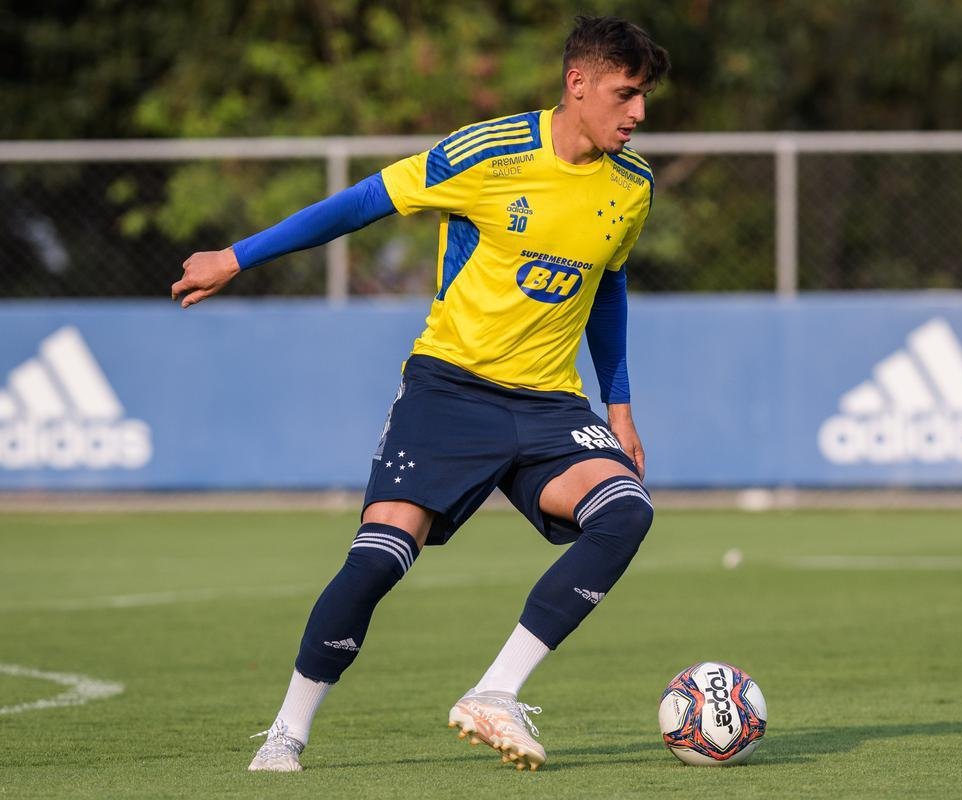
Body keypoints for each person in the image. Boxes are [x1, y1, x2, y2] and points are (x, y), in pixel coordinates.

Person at [172, 15, 669, 774]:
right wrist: (237, 258)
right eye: (626, 94)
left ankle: (496, 693)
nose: (638, 113)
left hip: (549, 406)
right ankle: (285, 734)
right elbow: (363, 203)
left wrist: (621, 405)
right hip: (449, 390)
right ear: (578, 84)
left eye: (644, 98)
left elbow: (609, 286)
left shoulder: (632, 186)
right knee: (379, 558)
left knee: (626, 511)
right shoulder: (490, 152)